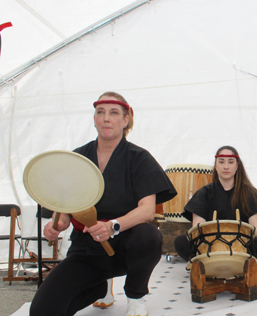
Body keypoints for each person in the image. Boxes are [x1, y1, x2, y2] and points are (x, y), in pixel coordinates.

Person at [30, 92, 177, 316]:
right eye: (100, 112)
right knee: (42, 311)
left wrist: (112, 226)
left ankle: (135, 296)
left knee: (149, 236)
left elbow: (147, 211)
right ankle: (99, 288)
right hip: (86, 249)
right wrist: (57, 225)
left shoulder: (139, 158)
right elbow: (66, 210)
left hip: (126, 245)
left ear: (125, 120)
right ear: (95, 119)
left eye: (113, 112)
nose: (106, 118)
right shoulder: (78, 157)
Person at [174, 145, 257, 268]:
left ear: (237, 165)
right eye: (221, 162)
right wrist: (217, 242)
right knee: (180, 241)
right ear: (216, 165)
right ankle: (209, 267)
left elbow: (255, 230)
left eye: (230, 162)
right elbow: (198, 229)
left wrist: (236, 241)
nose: (226, 166)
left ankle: (241, 268)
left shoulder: (250, 193)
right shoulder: (204, 193)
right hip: (210, 248)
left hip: (242, 249)